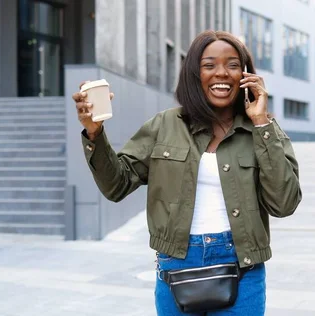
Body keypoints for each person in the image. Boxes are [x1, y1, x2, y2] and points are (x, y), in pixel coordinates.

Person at [73, 30, 302, 315]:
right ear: (195, 73)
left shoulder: (263, 129)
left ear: (245, 75)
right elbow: (116, 185)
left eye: (232, 65)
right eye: (209, 65)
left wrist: (261, 123)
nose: (222, 73)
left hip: (243, 267)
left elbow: (284, 204)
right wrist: (94, 133)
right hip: (176, 265)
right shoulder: (165, 125)